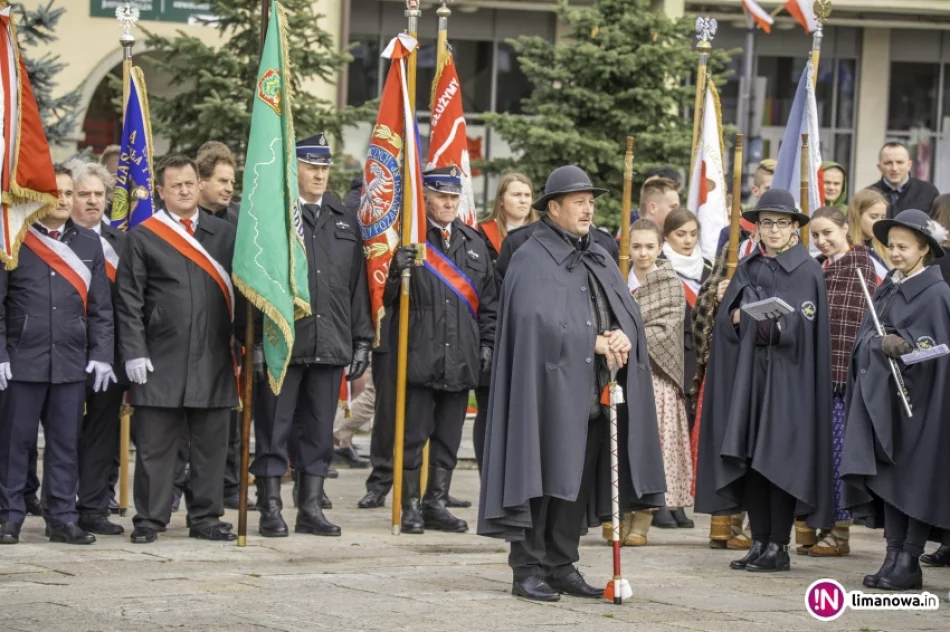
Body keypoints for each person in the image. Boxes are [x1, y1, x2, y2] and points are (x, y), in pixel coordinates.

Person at [478, 165, 666, 601]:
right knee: (539, 477)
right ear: (554, 207)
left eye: (591, 201)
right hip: (545, 394)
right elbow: (532, 323)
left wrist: (623, 332)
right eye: (578, 201)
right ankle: (526, 568)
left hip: (594, 393)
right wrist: (591, 340)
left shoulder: (598, 251)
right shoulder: (529, 255)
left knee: (575, 484)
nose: (588, 208)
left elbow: (625, 311)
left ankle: (561, 564)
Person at [695, 188, 835, 573]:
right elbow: (727, 320)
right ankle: (759, 541)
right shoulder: (749, 266)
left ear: (794, 227)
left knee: (779, 460)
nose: (773, 230)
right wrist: (736, 317)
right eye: (767, 223)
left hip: (789, 384)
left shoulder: (807, 270)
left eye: (782, 223)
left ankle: (779, 544)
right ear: (757, 227)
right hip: (751, 381)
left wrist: (777, 324)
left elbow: (806, 328)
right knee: (752, 460)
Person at [251, 133, 373, 538]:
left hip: (330, 341)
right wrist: (254, 343)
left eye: (324, 167)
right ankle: (270, 507)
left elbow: (355, 288)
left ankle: (309, 508)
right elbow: (257, 284)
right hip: (283, 343)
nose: (320, 174)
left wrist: (360, 339)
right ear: (293, 169)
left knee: (319, 430)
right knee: (274, 427)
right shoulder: (274, 219)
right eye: (311, 166)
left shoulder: (342, 219)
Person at [116, 154, 240, 544]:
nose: (184, 191)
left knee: (210, 446)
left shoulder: (224, 234)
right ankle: (150, 520)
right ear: (161, 191)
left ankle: (205, 517)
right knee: (156, 447)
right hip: (160, 359)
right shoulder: (143, 237)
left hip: (214, 356)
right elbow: (129, 300)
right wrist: (134, 351)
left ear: (198, 185)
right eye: (176, 185)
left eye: (189, 183)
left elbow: (246, 291)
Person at [0, 165, 116, 545]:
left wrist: (101, 354)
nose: (65, 200)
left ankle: (62, 518)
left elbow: (101, 308)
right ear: (39, 197)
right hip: (23, 360)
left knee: (65, 445)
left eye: (70, 193)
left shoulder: (88, 243)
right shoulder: (16, 239)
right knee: (15, 445)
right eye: (58, 193)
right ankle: (10, 516)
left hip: (70, 363)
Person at [841, 209, 950, 591]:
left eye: (904, 247)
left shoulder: (936, 293)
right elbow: (863, 338)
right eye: (891, 246)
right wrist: (878, 343)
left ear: (925, 249)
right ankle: (892, 555)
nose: (895, 253)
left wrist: (906, 349)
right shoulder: (888, 285)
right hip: (884, 402)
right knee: (889, 475)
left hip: (923, 406)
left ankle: (910, 558)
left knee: (915, 480)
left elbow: (937, 350)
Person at [385, 166, 497, 535]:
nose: (449, 202)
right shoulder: (409, 240)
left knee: (449, 436)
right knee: (414, 435)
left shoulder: (473, 241)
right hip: (419, 352)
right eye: (441, 195)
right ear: (426, 197)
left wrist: (486, 343)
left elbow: (490, 304)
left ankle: (436, 501)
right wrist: (391, 272)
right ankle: (411, 505)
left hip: (461, 355)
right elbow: (382, 300)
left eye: (454, 196)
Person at [790, 206, 877, 558]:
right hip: (814, 378)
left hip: (843, 380)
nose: (822, 241)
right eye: (816, 236)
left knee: (839, 456)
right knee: (816, 457)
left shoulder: (860, 266)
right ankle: (814, 524)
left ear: (845, 229)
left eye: (828, 233)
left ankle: (838, 534)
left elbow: (856, 324)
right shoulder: (820, 269)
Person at [619, 219, 693, 545]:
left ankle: (643, 519)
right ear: (628, 247)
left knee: (655, 447)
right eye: (637, 246)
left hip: (656, 377)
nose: (643, 253)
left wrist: (627, 337)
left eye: (650, 246)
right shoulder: (618, 281)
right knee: (622, 445)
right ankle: (621, 512)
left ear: (660, 247)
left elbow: (667, 329)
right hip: (621, 372)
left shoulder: (670, 284)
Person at [67, 159, 129, 536]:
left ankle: (93, 507)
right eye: (83, 194)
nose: (92, 201)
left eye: (99, 194)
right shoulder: (51, 238)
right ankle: (54, 503)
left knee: (102, 434)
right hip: (64, 352)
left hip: (111, 355)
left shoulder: (123, 241)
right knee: (61, 433)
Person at [474, 173, 536, 471]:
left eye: (527, 195)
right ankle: (488, 472)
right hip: (492, 330)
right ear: (501, 200)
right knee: (488, 407)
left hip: (529, 335)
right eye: (516, 195)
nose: (523, 200)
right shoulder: (481, 235)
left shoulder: (542, 235)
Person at [867, 142, 939, 218]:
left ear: (909, 165)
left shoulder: (928, 192)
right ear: (879, 167)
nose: (894, 168)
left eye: (899, 162)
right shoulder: (868, 195)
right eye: (888, 163)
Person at [847, 189, 891, 282]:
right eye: (873, 217)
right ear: (857, 215)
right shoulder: (846, 249)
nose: (879, 222)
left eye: (883, 217)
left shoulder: (884, 248)